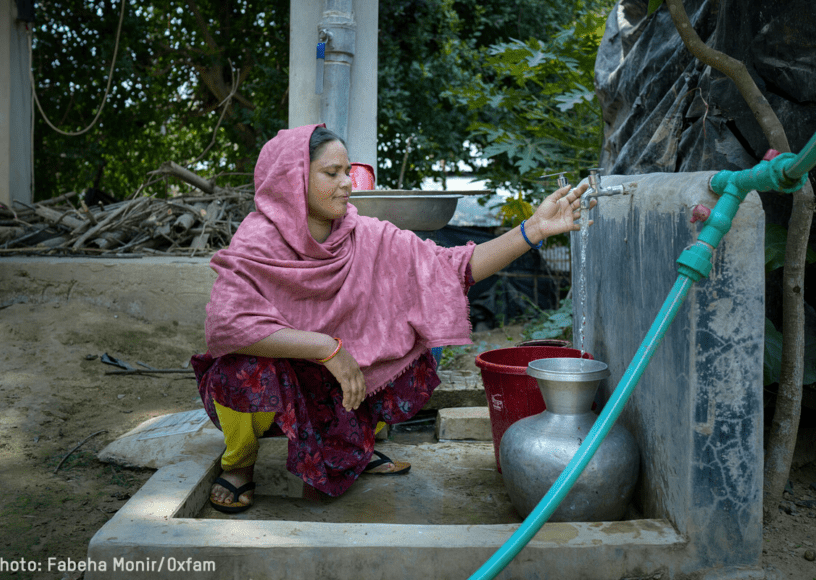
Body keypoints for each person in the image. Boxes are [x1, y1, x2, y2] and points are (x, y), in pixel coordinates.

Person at [191, 124, 592, 513]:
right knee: (237, 367)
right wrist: (325, 347)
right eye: (332, 173)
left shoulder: (367, 235)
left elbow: (454, 267)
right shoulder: (257, 240)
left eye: (348, 172)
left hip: (337, 385)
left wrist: (533, 229)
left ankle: (358, 446)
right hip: (282, 385)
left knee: (416, 338)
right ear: (291, 179)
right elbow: (227, 326)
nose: (347, 183)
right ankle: (240, 463)